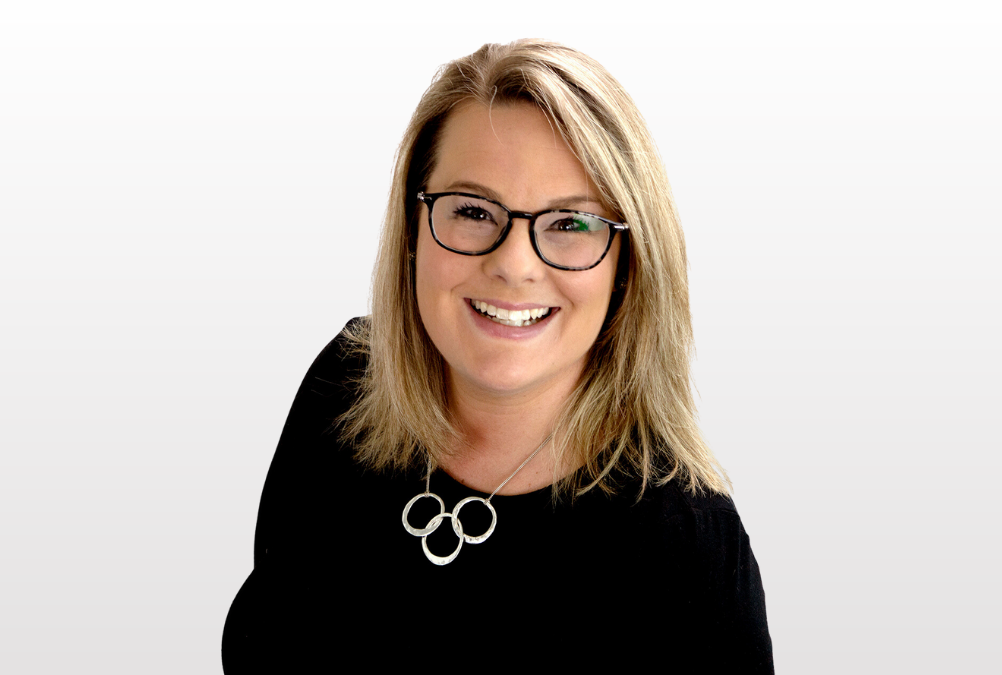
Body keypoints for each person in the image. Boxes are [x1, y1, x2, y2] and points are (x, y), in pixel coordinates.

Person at [223, 39, 772, 672]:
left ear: (628, 266)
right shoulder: (345, 382)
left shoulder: (689, 545)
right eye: (473, 211)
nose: (513, 265)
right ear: (412, 231)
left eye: (570, 223)